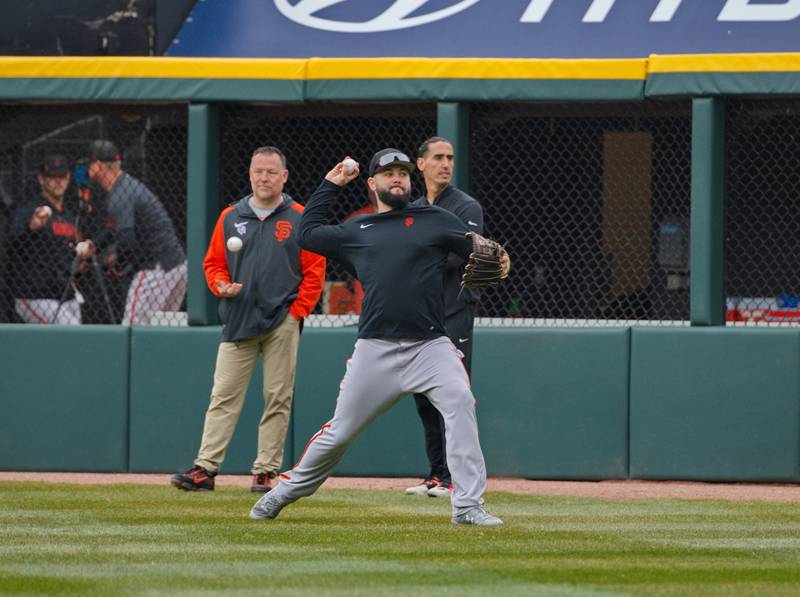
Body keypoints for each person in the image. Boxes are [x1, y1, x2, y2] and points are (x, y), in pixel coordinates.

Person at [249, 149, 509, 526]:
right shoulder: (358, 230)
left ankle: (468, 506)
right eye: (388, 174)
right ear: (372, 184)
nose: (397, 179)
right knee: (339, 433)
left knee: (461, 405)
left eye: (402, 172)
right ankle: (283, 493)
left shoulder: (436, 220)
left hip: (430, 345)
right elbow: (307, 234)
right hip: (376, 349)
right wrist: (331, 183)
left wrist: (498, 258)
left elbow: (479, 248)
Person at [171, 146, 326, 493]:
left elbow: (314, 271)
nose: (264, 177)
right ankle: (206, 469)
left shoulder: (299, 217)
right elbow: (213, 264)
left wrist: (296, 313)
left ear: (284, 176)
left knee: (277, 396)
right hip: (238, 318)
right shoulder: (230, 216)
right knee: (223, 395)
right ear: (250, 174)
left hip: (282, 320)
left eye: (271, 172)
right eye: (258, 171)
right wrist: (220, 286)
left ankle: (265, 471)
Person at [405, 136, 485, 498]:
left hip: (455, 310)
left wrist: (418, 260)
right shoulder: (416, 207)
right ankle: (436, 474)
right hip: (421, 313)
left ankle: (455, 479)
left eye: (450, 157)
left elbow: (461, 256)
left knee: (453, 395)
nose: (445, 164)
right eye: (437, 157)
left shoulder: (466, 206)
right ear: (420, 164)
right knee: (422, 395)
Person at [84, 139, 187, 325]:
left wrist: (116, 260)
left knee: (132, 327)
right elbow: (114, 228)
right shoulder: (126, 186)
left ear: (98, 165)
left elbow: (127, 241)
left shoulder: (119, 194)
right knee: (162, 327)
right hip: (176, 265)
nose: (87, 169)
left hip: (156, 268)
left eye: (89, 164)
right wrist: (95, 245)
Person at [6, 155, 83, 324]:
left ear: (68, 178)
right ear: (41, 180)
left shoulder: (69, 216)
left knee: (77, 337)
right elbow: (10, 240)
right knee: (71, 332)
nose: (58, 182)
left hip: (64, 294)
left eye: (62, 177)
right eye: (52, 177)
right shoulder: (29, 209)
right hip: (33, 295)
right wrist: (30, 227)